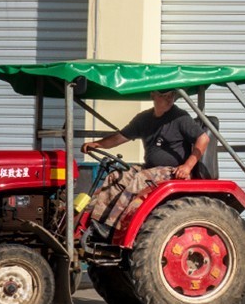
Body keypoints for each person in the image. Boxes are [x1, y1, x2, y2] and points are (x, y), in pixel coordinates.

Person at [81, 89, 211, 236]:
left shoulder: (180, 117)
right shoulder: (144, 119)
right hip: (151, 168)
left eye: (171, 95)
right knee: (116, 176)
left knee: (140, 178)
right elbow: (120, 137)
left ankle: (112, 229)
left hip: (173, 171)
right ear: (153, 95)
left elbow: (204, 139)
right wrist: (98, 144)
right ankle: (96, 222)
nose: (168, 99)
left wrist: (187, 166)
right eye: (163, 95)